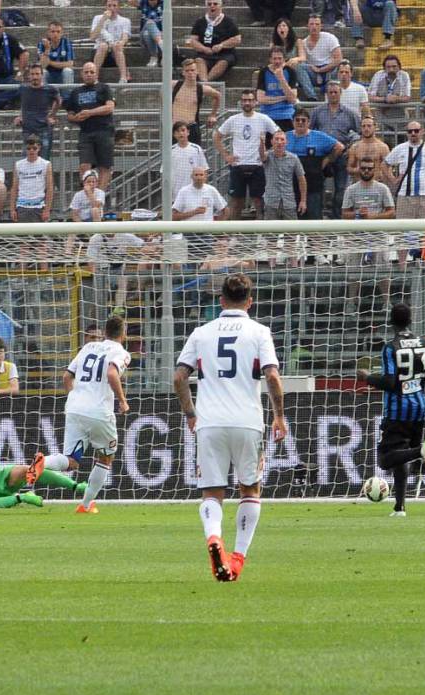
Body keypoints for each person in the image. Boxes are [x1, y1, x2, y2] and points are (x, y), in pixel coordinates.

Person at [173, 273, 287, 582]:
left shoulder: (201, 333)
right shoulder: (259, 332)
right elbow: (273, 377)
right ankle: (236, 558)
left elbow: (180, 377)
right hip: (248, 421)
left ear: (220, 301)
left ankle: (214, 538)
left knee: (212, 491)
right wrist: (279, 416)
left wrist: (190, 414)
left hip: (210, 422)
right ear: (250, 302)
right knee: (250, 488)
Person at [357, 302, 425, 516]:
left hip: (397, 411)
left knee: (386, 459)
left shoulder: (390, 347)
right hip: (419, 409)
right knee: (401, 457)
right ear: (411, 320)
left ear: (391, 322)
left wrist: (367, 378)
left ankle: (421, 451)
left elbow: (391, 382)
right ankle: (400, 507)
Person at [27, 315, 131, 515]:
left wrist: (76, 399)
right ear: (123, 333)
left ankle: (43, 462)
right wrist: (123, 400)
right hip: (100, 411)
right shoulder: (122, 352)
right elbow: (111, 374)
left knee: (71, 460)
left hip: (74, 407)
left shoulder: (88, 347)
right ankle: (85, 505)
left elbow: (67, 376)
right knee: (105, 458)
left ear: (105, 331)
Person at [214, 89, 278, 220]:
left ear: (255, 102)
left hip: (258, 166)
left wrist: (268, 153)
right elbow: (217, 136)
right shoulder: (233, 120)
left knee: (259, 203)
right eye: (244, 100)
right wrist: (226, 155)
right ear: (240, 102)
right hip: (238, 166)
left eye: (249, 100)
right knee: (236, 203)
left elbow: (279, 134)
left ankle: (260, 235)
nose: (247, 103)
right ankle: (233, 235)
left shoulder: (263, 119)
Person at [342, 157, 395, 314]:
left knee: (383, 268)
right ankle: (351, 302)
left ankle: (387, 302)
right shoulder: (351, 190)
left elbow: (391, 211)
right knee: (353, 269)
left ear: (374, 170)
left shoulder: (382, 188)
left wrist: (373, 216)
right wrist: (358, 213)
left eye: (369, 168)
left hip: (378, 235)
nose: (366, 171)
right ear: (359, 169)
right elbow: (344, 213)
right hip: (357, 236)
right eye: (363, 168)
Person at [310, 81, 360, 219]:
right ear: (326, 94)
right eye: (330, 92)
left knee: (341, 190)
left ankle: (337, 219)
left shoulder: (349, 113)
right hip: (322, 156)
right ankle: (317, 219)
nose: (333, 95)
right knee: (318, 188)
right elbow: (310, 131)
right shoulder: (317, 112)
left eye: (335, 92)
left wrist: (352, 148)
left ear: (340, 93)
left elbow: (360, 132)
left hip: (341, 156)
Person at [285, 107, 344, 221]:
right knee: (292, 220)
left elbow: (339, 147)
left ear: (309, 122)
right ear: (293, 122)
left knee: (314, 217)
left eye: (303, 120)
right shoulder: (286, 137)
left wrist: (326, 161)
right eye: (297, 120)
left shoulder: (319, 136)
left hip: (314, 185)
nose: (300, 122)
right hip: (290, 185)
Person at [66, 62, 116, 190]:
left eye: (91, 72)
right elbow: (70, 115)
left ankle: (100, 197)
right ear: (82, 74)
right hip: (85, 133)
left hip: (104, 131)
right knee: (84, 165)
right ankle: (86, 196)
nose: (89, 74)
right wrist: (76, 118)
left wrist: (90, 113)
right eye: (86, 72)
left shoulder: (104, 88)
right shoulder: (76, 92)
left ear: (96, 74)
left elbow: (109, 107)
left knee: (104, 166)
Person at [187, 0, 241, 81]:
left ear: (220, 6)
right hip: (204, 53)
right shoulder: (200, 21)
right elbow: (193, 40)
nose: (212, 6)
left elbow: (237, 39)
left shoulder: (228, 21)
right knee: (199, 60)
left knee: (223, 62)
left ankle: (206, 83)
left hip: (224, 53)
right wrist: (203, 48)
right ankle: (205, 82)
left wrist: (222, 45)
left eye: (215, 4)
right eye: (209, 4)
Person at [172, 58, 222, 147]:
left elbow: (217, 95)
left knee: (194, 156)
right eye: (187, 71)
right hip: (175, 128)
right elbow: (161, 91)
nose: (190, 73)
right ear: (183, 72)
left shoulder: (201, 88)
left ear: (197, 71)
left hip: (191, 128)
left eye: (192, 70)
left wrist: (213, 115)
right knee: (173, 156)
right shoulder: (174, 85)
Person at [15, 64, 60, 160]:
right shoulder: (23, 89)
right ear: (29, 76)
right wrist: (20, 116)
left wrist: (52, 115)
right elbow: (23, 104)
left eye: (37, 74)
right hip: (27, 130)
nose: (35, 77)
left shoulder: (50, 89)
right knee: (25, 161)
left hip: (44, 129)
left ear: (42, 75)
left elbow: (59, 100)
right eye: (32, 74)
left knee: (44, 161)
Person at [296, 15, 342, 101]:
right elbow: (302, 60)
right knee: (299, 67)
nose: (314, 27)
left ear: (321, 26)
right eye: (312, 24)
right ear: (308, 26)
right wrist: (314, 69)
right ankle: (312, 97)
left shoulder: (330, 38)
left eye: (317, 24)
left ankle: (332, 92)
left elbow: (338, 59)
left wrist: (321, 70)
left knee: (341, 66)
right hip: (313, 72)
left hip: (329, 71)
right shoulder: (304, 42)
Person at [262, 130, 305, 220]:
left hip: (288, 202)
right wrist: (261, 142)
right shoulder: (267, 156)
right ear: (272, 141)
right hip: (271, 202)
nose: (279, 142)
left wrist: (303, 201)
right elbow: (262, 155)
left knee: (292, 232)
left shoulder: (294, 158)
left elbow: (301, 179)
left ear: (286, 142)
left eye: (282, 139)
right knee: (270, 232)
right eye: (276, 139)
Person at [10, 134, 53, 223]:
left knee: (39, 236)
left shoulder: (46, 164)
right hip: (22, 206)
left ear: (39, 148)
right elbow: (14, 188)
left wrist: (47, 210)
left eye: (34, 148)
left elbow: (50, 188)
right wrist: (12, 209)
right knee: (23, 235)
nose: (31, 151)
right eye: (29, 148)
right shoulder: (18, 164)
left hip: (39, 206)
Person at [256, 46, 299, 131]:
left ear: (284, 59)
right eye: (274, 58)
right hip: (267, 114)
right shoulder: (264, 72)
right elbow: (261, 99)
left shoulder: (290, 71)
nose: (277, 61)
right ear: (270, 59)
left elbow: (292, 99)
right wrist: (283, 97)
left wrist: (281, 78)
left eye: (280, 58)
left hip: (286, 114)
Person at [90, 0, 132, 84]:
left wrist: (121, 43)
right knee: (103, 45)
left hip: (116, 53)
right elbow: (92, 37)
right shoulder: (97, 18)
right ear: (105, 7)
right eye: (109, 6)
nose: (111, 8)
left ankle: (123, 78)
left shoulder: (125, 21)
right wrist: (103, 20)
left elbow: (125, 37)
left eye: (114, 5)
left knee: (117, 46)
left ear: (118, 7)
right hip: (99, 52)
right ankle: (94, 78)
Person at [368, 54, 411, 128]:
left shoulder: (404, 75)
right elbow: (370, 97)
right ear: (384, 68)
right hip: (382, 118)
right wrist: (385, 99)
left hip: (401, 117)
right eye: (388, 67)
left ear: (399, 67)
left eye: (394, 67)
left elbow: (407, 97)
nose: (391, 69)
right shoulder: (378, 75)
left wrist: (396, 99)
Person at [171, 120, 208, 200]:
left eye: (183, 130)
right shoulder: (170, 150)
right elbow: (164, 172)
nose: (181, 133)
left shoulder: (196, 149)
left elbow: (204, 169)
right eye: (177, 131)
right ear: (174, 135)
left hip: (193, 191)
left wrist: (202, 188)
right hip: (175, 192)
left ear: (188, 132)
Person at [347, 115, 390, 184]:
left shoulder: (382, 147)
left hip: (376, 184)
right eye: (363, 126)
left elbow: (388, 169)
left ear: (374, 127)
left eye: (369, 126)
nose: (366, 129)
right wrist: (357, 170)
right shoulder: (355, 147)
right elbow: (349, 168)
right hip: (359, 184)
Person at [38, 21, 75, 85]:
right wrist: (47, 49)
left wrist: (49, 62)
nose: (55, 34)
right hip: (48, 74)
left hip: (62, 75)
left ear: (62, 33)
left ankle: (66, 95)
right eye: (53, 31)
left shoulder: (67, 43)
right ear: (48, 33)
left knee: (67, 71)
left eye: (58, 32)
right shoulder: (42, 44)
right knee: (42, 72)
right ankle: (44, 94)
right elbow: (42, 66)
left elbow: (70, 64)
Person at [139, 0, 163, 67]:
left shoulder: (164, 4)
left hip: (161, 34)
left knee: (147, 34)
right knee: (150, 22)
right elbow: (130, 1)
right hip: (143, 38)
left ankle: (154, 57)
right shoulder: (143, 2)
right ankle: (163, 48)